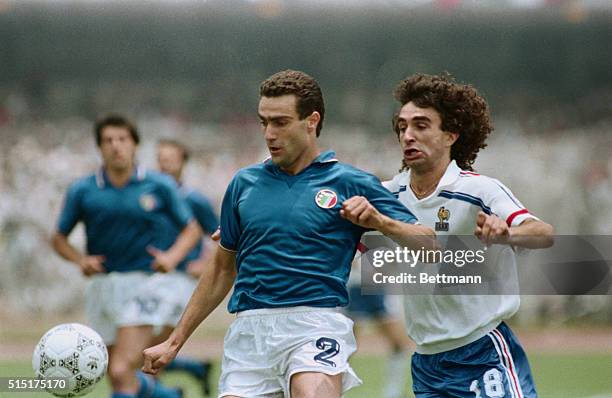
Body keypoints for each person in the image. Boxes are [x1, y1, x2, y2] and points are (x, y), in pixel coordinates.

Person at [142, 69, 435, 398]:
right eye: (264, 122)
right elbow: (222, 269)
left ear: (311, 121)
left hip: (314, 323)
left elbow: (428, 245)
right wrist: (175, 340)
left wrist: (381, 222)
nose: (269, 133)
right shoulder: (243, 184)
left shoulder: (351, 182)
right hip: (250, 332)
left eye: (280, 122)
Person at [386, 73, 554, 397]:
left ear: (450, 134)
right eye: (403, 126)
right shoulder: (387, 195)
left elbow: (543, 233)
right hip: (426, 363)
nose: (408, 135)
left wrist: (506, 235)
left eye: (421, 125)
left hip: (483, 353)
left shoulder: (477, 189)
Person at [51, 114, 202, 398]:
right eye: (108, 140)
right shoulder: (83, 190)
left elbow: (192, 229)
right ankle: (169, 395)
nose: (116, 146)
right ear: (99, 147)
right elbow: (58, 238)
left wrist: (171, 257)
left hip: (143, 284)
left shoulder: (157, 185)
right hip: (102, 287)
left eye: (122, 139)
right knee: (117, 376)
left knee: (121, 370)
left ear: (134, 145)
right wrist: (79, 260)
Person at [155, 138, 220, 396]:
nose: (165, 166)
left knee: (155, 340)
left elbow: (220, 236)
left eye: (171, 160)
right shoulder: (149, 195)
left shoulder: (194, 200)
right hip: (149, 278)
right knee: (144, 344)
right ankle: (195, 369)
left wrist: (204, 263)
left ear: (183, 163)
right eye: (161, 160)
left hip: (179, 279)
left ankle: (167, 393)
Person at [344, 257, 412, 398]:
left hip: (379, 287)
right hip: (357, 286)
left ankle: (393, 393)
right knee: (347, 347)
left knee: (399, 344)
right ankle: (334, 388)